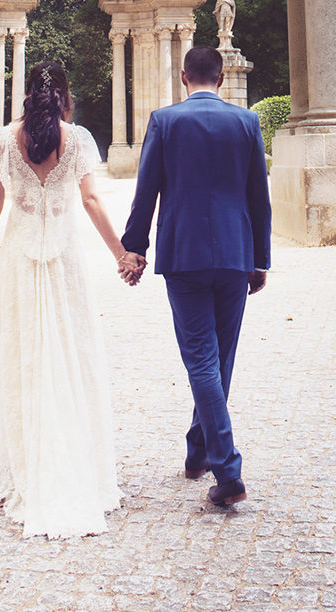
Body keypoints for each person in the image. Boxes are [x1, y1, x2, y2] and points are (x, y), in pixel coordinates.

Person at [0, 62, 131, 538]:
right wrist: (121, 253)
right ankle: (75, 454)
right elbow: (92, 202)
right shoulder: (78, 138)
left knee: (26, 354)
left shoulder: (3, 139)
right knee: (72, 353)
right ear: (63, 94)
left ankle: (28, 461)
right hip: (64, 260)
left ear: (26, 94)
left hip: (20, 260)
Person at [119, 46, 271, 508]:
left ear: (184, 77)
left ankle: (228, 471)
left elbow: (147, 190)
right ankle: (197, 452)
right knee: (219, 359)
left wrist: (135, 248)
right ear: (221, 79)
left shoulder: (165, 121)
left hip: (183, 254)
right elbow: (258, 197)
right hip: (234, 253)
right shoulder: (246, 122)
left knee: (203, 361)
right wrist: (259, 258)